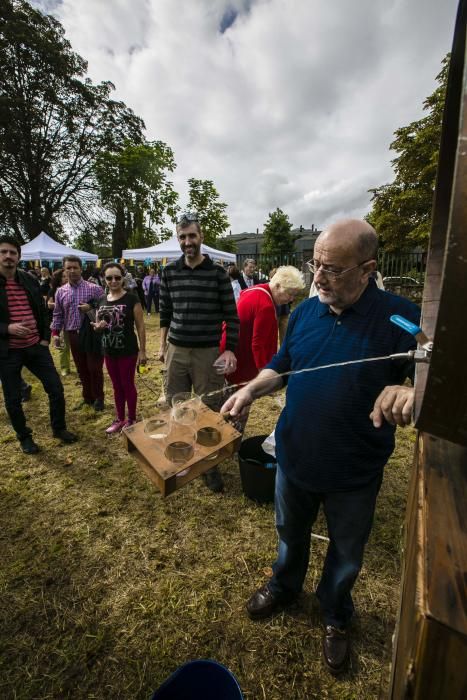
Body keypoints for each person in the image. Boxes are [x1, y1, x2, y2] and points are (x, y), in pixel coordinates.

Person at [221, 219, 420, 675]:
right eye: (315, 265)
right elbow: (283, 363)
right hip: (294, 457)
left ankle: (335, 614)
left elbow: (438, 366)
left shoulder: (399, 316)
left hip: (354, 470)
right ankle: (285, 585)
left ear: (368, 269)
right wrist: (252, 389)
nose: (318, 278)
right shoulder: (307, 311)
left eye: (331, 269)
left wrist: (414, 391)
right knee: (290, 533)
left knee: (346, 552)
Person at [159, 211, 239, 493]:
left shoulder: (218, 274)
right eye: (182, 237)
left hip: (207, 352)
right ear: (177, 239)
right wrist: (162, 347)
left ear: (201, 237)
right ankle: (183, 456)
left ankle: (209, 465)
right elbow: (165, 313)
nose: (187, 241)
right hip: (177, 350)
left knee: (209, 410)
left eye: (192, 235)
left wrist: (229, 349)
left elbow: (232, 316)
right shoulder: (169, 272)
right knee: (176, 406)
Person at [0, 236, 77, 454]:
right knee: (13, 398)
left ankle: (59, 428)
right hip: (8, 351)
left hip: (36, 346)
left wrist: (45, 338)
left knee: (55, 388)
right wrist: (7, 328)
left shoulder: (28, 279)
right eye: (3, 252)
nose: (8, 256)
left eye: (12, 252)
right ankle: (24, 437)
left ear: (18, 256)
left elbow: (43, 311)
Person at [92, 262, 147, 433]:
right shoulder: (101, 300)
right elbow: (98, 325)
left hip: (128, 350)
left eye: (117, 277)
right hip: (108, 350)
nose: (113, 281)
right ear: (104, 279)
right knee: (116, 385)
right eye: (109, 278)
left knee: (127, 384)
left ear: (123, 278)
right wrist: (98, 327)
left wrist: (143, 351)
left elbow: (140, 326)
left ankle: (131, 419)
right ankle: (120, 418)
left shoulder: (132, 299)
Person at [51, 255, 105, 410]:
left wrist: (91, 307)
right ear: (64, 270)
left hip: (92, 334)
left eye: (75, 267)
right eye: (69, 268)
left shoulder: (94, 288)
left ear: (81, 269)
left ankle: (99, 398)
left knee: (94, 368)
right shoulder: (61, 292)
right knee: (82, 368)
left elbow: (106, 308)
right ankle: (88, 397)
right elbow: (58, 314)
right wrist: (55, 334)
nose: (72, 271)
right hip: (73, 335)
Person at [47, 268, 71, 377]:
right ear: (58, 278)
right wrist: (61, 304)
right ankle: (65, 368)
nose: (66, 278)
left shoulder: (73, 288)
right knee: (63, 347)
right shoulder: (54, 290)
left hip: (73, 320)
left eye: (67, 276)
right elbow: (49, 304)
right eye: (63, 276)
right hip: (61, 321)